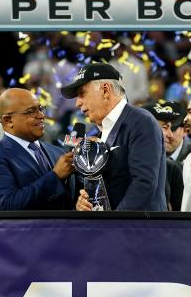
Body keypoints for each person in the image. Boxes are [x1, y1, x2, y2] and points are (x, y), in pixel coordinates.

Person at [63, 62, 166, 211]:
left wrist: (114, 223)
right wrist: (86, 202)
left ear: (105, 90)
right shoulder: (100, 134)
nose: (77, 103)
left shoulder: (141, 122)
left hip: (139, 230)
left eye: (82, 93)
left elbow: (144, 184)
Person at [0, 88, 75, 210]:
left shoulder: (58, 153)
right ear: (8, 120)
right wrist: (55, 176)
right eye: (31, 111)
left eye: (40, 109)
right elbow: (8, 205)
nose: (41, 115)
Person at [144, 101, 185, 210]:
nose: (170, 135)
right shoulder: (118, 160)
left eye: (172, 128)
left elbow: (180, 215)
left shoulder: (172, 169)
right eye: (165, 127)